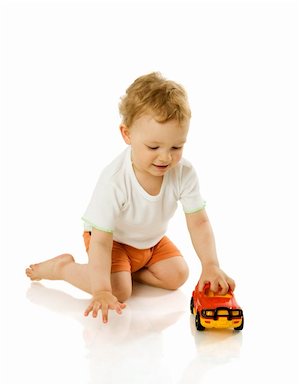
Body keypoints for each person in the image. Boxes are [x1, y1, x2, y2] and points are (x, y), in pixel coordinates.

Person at [26, 72, 235, 323]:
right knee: (119, 291)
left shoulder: (184, 172)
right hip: (110, 241)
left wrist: (210, 264)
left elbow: (199, 221)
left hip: (150, 242)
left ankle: (127, 270)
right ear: (127, 135)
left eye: (176, 147)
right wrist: (102, 290)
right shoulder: (115, 180)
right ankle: (63, 268)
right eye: (153, 147)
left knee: (178, 275)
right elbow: (101, 241)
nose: (165, 158)